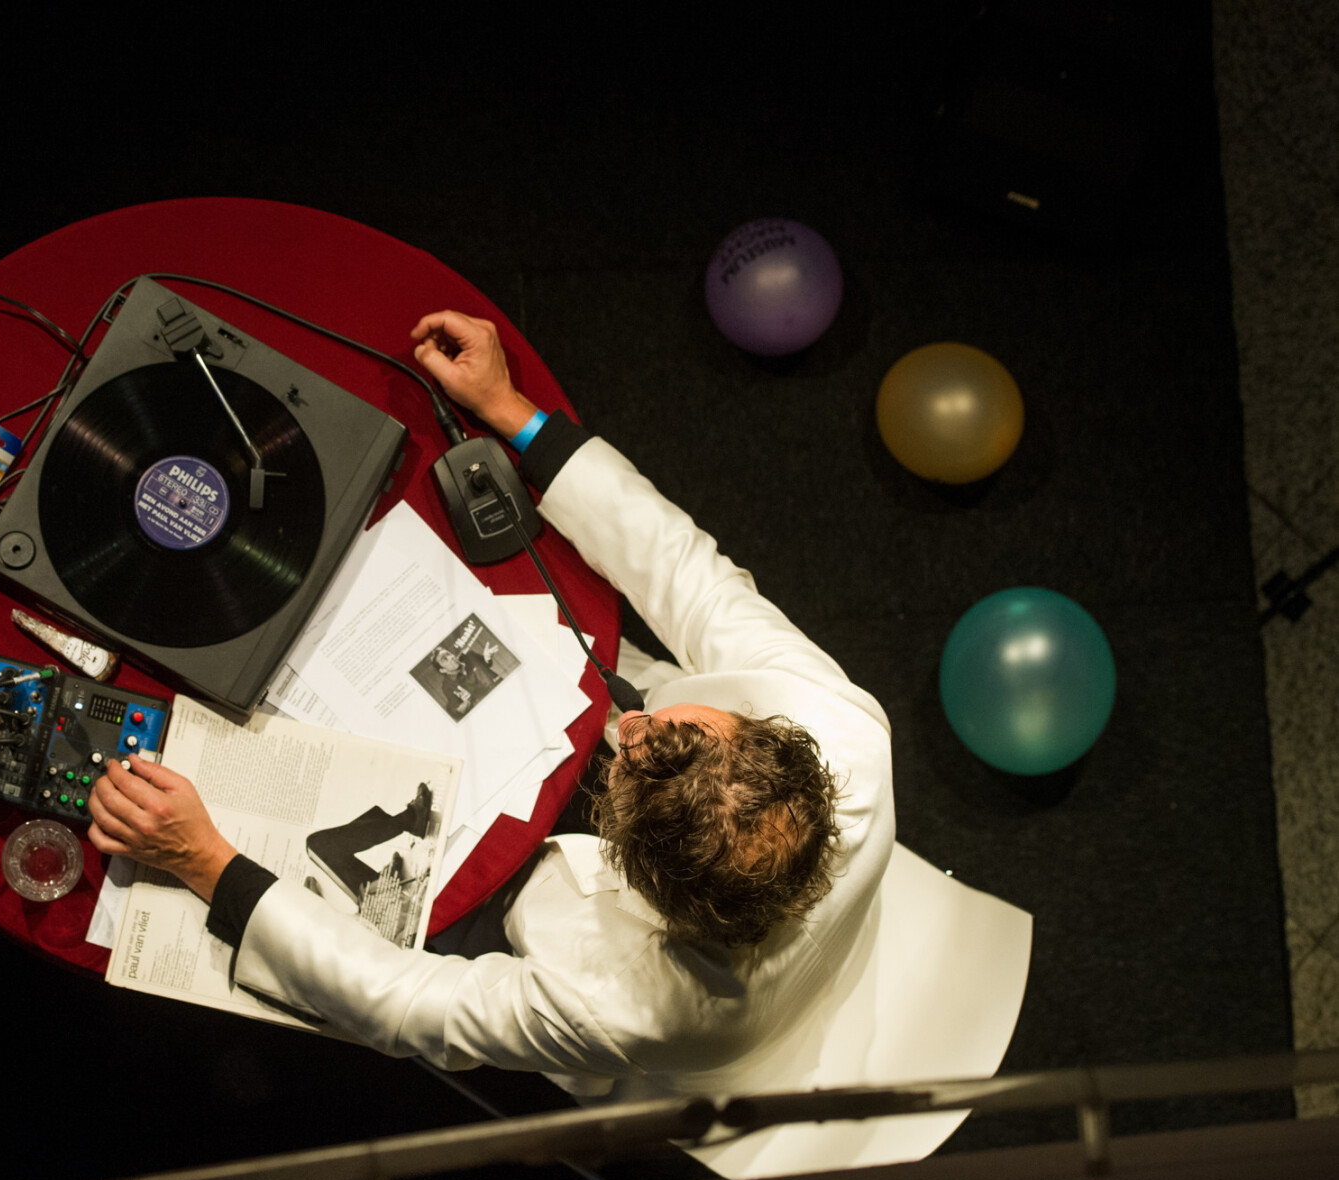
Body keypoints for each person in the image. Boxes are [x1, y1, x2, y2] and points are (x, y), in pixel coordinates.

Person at [87, 311, 895, 1098]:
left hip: (614, 982)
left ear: (633, 871)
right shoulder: (837, 723)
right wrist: (514, 413)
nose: (630, 723)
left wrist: (204, 860)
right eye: (666, 725)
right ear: (766, 732)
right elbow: (685, 571)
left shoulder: (627, 1007)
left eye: (631, 762)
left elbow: (399, 1003)